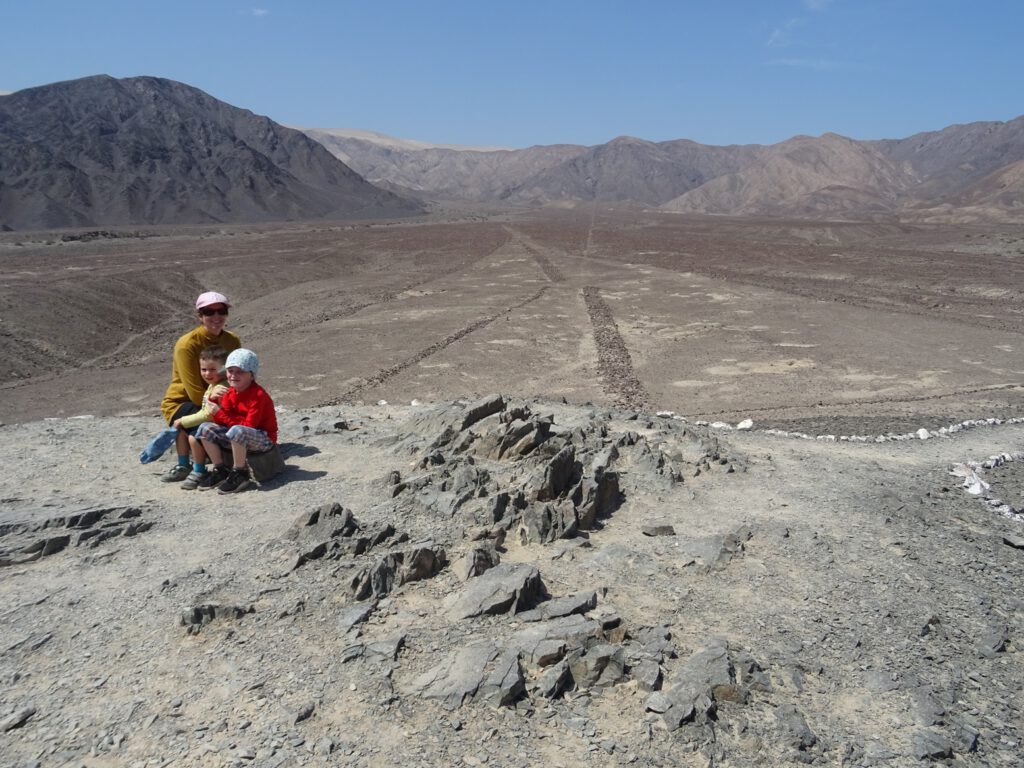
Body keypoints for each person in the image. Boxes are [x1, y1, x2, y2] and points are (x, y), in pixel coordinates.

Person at [159, 292, 241, 482]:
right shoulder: (187, 345)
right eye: (208, 312)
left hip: (219, 398)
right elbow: (195, 392)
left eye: (221, 311)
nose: (216, 317)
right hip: (184, 401)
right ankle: (190, 466)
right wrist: (220, 404)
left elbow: (236, 374)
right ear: (200, 316)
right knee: (205, 429)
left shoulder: (232, 341)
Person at [192, 348, 277, 494]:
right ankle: (220, 469)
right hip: (239, 435)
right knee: (205, 428)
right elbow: (222, 422)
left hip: (263, 438)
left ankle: (240, 472)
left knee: (237, 431)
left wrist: (220, 412)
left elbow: (248, 426)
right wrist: (213, 400)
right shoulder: (230, 392)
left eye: (240, 372)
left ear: (251, 375)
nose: (233, 376)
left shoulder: (258, 395)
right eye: (230, 371)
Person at [175, 346, 229, 490]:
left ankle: (199, 470)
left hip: (219, 426)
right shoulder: (213, 385)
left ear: (224, 369)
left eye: (212, 369)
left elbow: (208, 414)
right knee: (182, 431)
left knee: (193, 437)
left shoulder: (221, 388)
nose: (207, 373)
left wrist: (183, 420)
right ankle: (184, 464)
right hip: (211, 424)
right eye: (204, 369)